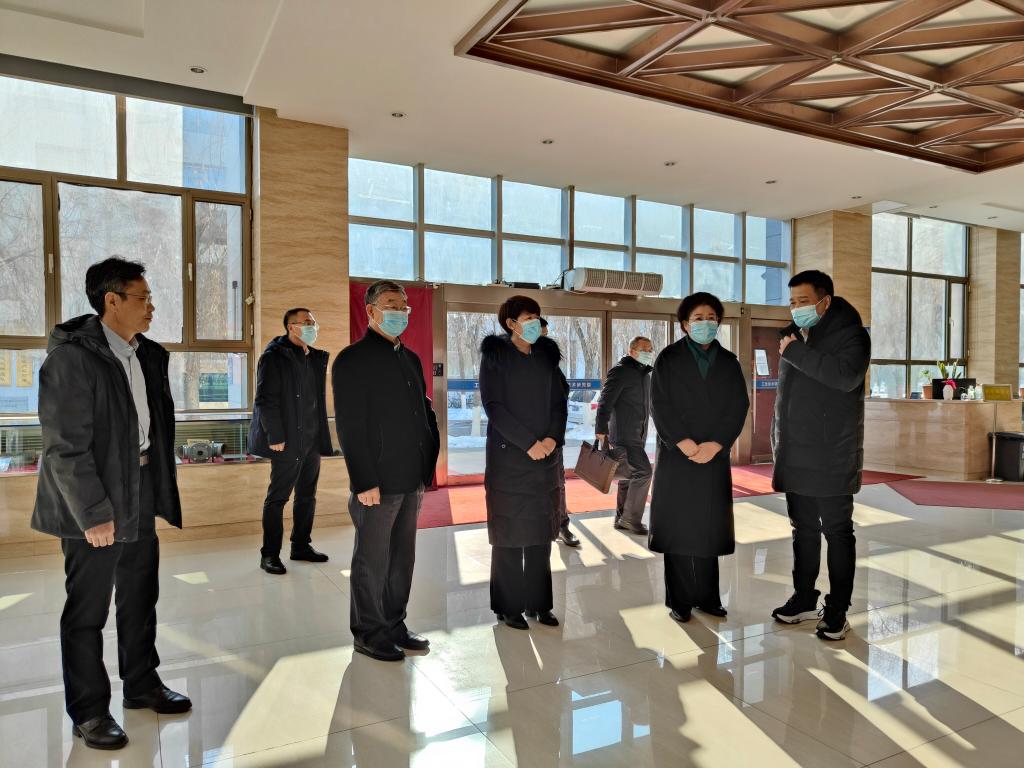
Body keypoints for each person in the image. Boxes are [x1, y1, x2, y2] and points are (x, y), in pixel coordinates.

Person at [31, 257, 190, 751]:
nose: (152, 307)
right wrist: (94, 513)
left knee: (140, 596)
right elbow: (65, 447)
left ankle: (141, 684)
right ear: (112, 301)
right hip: (94, 500)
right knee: (88, 610)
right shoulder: (72, 359)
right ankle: (89, 711)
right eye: (143, 298)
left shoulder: (145, 354)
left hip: (137, 489)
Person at [333, 280, 439, 661]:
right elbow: (350, 425)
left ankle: (395, 623)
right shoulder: (352, 360)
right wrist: (363, 480)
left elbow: (422, 410)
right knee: (372, 560)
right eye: (392, 305)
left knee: (401, 559)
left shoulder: (409, 359)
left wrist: (428, 458)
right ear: (371, 310)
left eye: (404, 306)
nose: (400, 312)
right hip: (376, 481)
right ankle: (368, 632)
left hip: (411, 477)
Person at [770, 270, 870, 642]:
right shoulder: (793, 336)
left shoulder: (852, 335)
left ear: (825, 301)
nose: (796, 308)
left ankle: (838, 610)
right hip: (795, 451)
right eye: (792, 302)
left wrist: (796, 353)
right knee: (803, 530)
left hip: (832, 454)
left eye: (804, 301)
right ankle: (804, 598)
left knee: (838, 532)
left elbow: (844, 378)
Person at [649, 292, 749, 623]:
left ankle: (707, 597)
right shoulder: (668, 358)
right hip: (678, 455)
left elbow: (738, 406)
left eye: (711, 318)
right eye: (698, 318)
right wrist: (684, 442)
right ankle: (679, 600)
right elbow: (659, 404)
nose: (705, 323)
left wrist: (717, 444)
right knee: (679, 528)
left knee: (708, 527)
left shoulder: (729, 361)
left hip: (714, 456)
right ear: (684, 324)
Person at [480, 296, 567, 630]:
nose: (535, 322)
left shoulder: (546, 356)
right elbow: (494, 406)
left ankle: (539, 603)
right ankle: (508, 606)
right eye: (529, 317)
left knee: (540, 533)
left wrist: (551, 439)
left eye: (537, 316)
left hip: (545, 457)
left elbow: (559, 402)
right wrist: (528, 443)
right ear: (511, 323)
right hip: (509, 458)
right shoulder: (495, 357)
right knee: (509, 535)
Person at [249, 308, 334, 575]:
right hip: (286, 442)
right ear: (291, 327)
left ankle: (300, 546)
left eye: (313, 321)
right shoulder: (274, 357)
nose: (312, 326)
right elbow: (265, 400)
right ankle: (269, 554)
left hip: (311, 440)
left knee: (307, 496)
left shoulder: (314, 357)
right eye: (306, 322)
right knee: (278, 498)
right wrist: (275, 435)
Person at [596, 336, 655, 535]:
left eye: (650, 349)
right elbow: (605, 401)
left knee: (629, 476)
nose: (649, 352)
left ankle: (621, 518)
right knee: (644, 472)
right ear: (631, 351)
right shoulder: (620, 371)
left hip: (639, 434)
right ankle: (631, 519)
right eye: (644, 349)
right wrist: (601, 429)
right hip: (623, 434)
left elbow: (648, 406)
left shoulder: (645, 375)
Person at [539, 317, 580, 548]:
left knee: (557, 482)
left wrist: (553, 437)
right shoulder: (509, 361)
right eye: (541, 334)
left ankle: (561, 524)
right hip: (524, 440)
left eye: (546, 335)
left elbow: (562, 394)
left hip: (552, 438)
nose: (544, 339)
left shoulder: (551, 363)